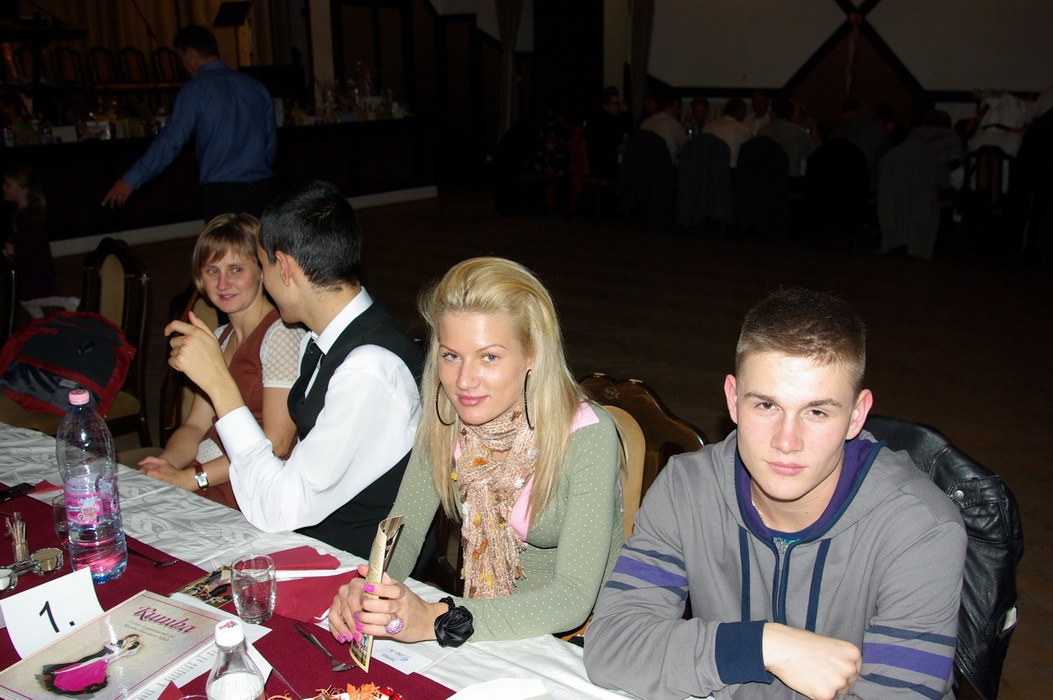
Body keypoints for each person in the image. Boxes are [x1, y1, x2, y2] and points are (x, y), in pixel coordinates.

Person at [585, 288, 967, 699]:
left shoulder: (921, 529)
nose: (787, 441)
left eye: (817, 412)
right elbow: (612, 646)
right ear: (733, 399)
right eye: (766, 406)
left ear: (856, 415)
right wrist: (765, 645)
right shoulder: (687, 490)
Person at [327, 257, 623, 645]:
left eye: (489, 357)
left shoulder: (588, 436)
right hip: (481, 623)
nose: (463, 381)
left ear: (532, 354)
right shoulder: (447, 419)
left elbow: (572, 599)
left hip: (578, 642)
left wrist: (436, 619)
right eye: (451, 355)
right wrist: (371, 589)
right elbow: (404, 532)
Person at [163, 181, 421, 557]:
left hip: (348, 565)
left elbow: (278, 507)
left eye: (261, 264)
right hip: (308, 538)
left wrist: (218, 382)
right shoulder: (330, 340)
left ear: (283, 267)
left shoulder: (367, 369)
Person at [138, 214, 304, 509]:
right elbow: (195, 426)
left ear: (262, 271)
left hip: (255, 489)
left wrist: (190, 478)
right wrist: (164, 466)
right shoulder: (217, 337)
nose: (223, 283)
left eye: (236, 269)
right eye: (212, 271)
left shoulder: (281, 335)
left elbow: (276, 444)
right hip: (213, 473)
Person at [101, 25, 276, 220]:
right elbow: (270, 144)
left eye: (181, 58)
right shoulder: (255, 86)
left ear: (190, 54)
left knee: (223, 241)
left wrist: (131, 179)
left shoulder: (196, 90)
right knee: (258, 240)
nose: (183, 66)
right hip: (261, 189)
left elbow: (170, 141)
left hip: (223, 193)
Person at [2, 165, 78, 319]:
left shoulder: (28, 218)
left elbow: (33, 246)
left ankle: (69, 302)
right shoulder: (21, 214)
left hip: (35, 267)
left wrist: (15, 250)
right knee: (27, 300)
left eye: (8, 185)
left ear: (24, 190)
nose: (3, 187)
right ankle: (41, 324)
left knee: (29, 299)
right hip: (29, 266)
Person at [39, 634, 141, 695]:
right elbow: (108, 646)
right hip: (99, 657)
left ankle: (54, 671)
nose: (132, 641)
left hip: (102, 660)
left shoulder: (126, 649)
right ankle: (52, 670)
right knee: (78, 665)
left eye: (133, 641)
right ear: (129, 638)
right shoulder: (119, 642)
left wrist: (133, 648)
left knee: (81, 668)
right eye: (132, 639)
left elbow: (124, 653)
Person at [758, 99, 816, 180]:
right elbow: (812, 154)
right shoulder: (798, 132)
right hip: (790, 178)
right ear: (792, 114)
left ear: (773, 113)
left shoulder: (762, 131)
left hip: (766, 178)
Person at [703, 98, 753, 167]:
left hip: (709, 169)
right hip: (731, 169)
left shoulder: (708, 126)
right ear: (741, 114)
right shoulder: (742, 128)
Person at [640, 93, 688, 163]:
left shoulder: (646, 122)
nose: (678, 111)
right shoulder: (674, 124)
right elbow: (685, 145)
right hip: (666, 165)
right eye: (677, 108)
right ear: (670, 107)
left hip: (646, 164)